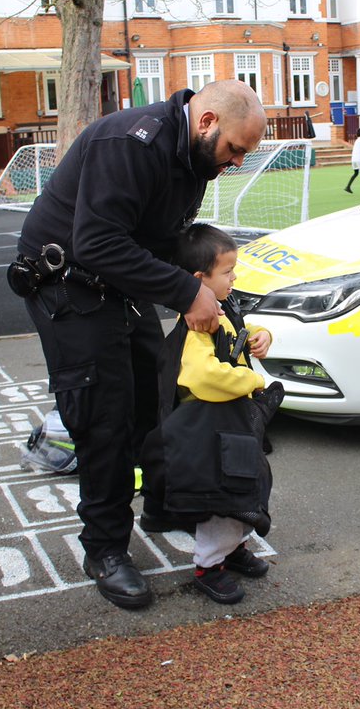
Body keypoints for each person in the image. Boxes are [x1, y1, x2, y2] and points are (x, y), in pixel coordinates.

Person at [11, 80, 267, 610]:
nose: (236, 162)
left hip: (119, 284)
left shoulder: (194, 158)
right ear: (207, 122)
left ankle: (177, 514)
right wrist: (184, 291)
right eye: (235, 149)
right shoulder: (129, 144)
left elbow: (162, 240)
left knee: (158, 400)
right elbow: (97, 242)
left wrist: (221, 299)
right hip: (67, 284)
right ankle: (104, 549)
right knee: (105, 415)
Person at [142, 223, 277, 604]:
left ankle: (230, 550)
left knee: (244, 488)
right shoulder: (198, 327)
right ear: (199, 280)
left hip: (228, 429)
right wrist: (250, 381)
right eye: (228, 271)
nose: (235, 277)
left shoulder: (223, 309)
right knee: (224, 499)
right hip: (207, 436)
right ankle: (208, 566)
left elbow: (237, 335)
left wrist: (261, 335)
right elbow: (202, 377)